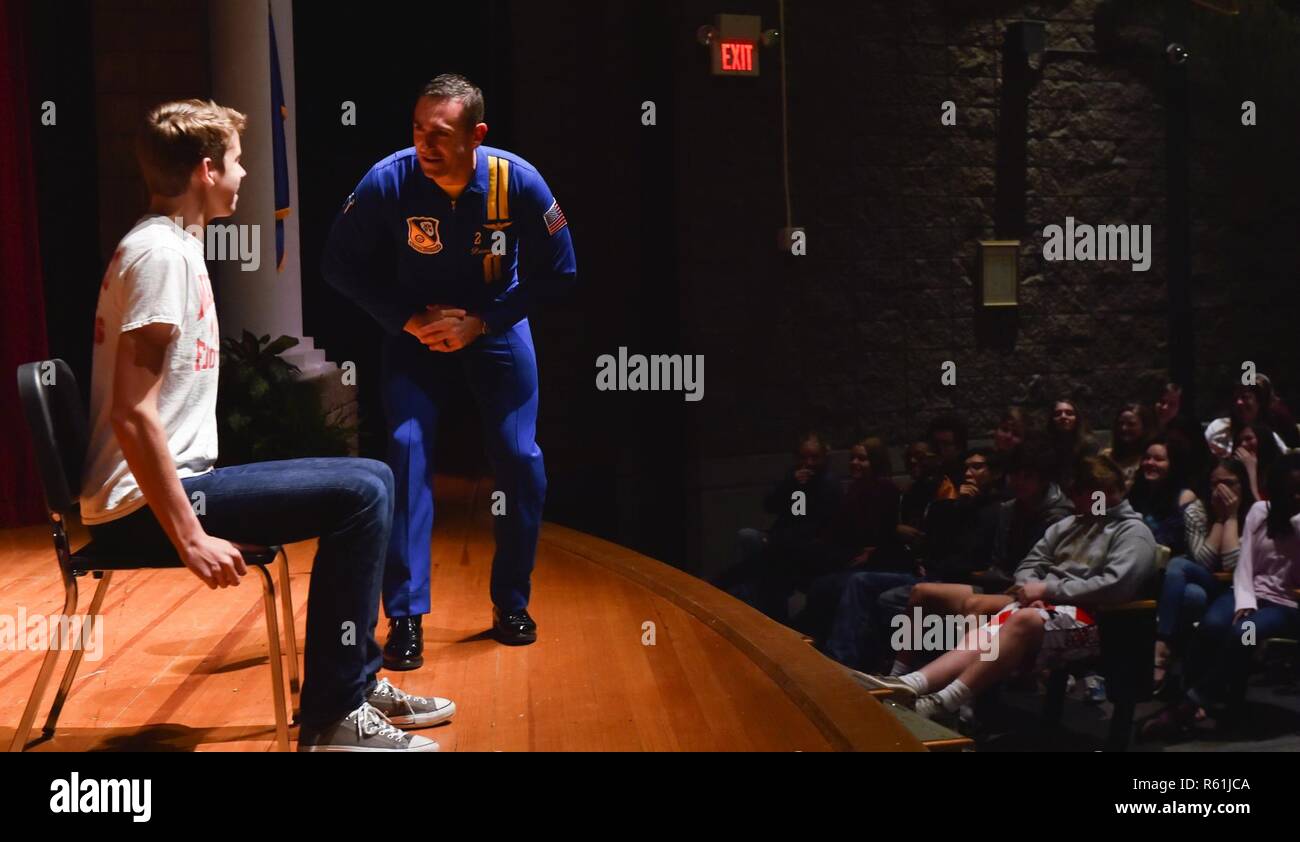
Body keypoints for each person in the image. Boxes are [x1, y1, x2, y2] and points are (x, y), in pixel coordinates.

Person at [81, 100, 451, 751]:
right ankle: (335, 717)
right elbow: (130, 411)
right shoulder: (160, 257)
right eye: (236, 158)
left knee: (370, 476)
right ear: (205, 169)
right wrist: (190, 536)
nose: (244, 172)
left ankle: (353, 685)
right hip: (143, 502)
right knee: (362, 493)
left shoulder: (170, 247)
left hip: (172, 485)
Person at [322, 74, 578, 663]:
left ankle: (512, 601)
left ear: (476, 135)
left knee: (519, 460)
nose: (424, 145)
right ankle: (406, 617)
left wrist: (483, 323)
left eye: (439, 134)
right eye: (417, 130)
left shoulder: (519, 183)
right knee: (407, 452)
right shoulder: (389, 180)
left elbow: (561, 273)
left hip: (495, 328)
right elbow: (338, 264)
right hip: (417, 333)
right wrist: (406, 319)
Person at [860, 455, 1156, 720]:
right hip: (1044, 608)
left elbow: (1115, 587)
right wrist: (1032, 590)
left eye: (1078, 495)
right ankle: (910, 684)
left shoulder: (1132, 531)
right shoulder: (1070, 525)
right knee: (986, 631)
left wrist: (1048, 590)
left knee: (1017, 618)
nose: (1073, 503)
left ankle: (946, 701)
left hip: (1097, 619)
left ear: (1098, 494)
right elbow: (1030, 564)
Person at [1142, 453, 1300, 739]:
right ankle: (1197, 694)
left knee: (1244, 634)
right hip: (1246, 592)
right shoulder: (1260, 512)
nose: (1297, 496)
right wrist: (1247, 602)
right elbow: (1244, 565)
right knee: (1212, 625)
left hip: (1283, 604)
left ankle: (1189, 704)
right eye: (1292, 489)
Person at [716, 432, 843, 622]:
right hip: (784, 539)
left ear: (824, 457)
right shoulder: (794, 478)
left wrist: (775, 539)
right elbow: (770, 505)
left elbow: (815, 525)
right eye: (803, 457)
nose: (808, 463)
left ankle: (721, 587)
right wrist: (791, 483)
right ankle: (740, 597)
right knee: (748, 538)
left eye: (814, 457)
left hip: (809, 547)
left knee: (765, 558)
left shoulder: (828, 484)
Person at [1152, 458, 1253, 693]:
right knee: (1180, 569)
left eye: (1229, 483)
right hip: (1205, 578)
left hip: (1237, 587)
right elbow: (1204, 561)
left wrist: (1232, 517)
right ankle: (1164, 642)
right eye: (1215, 483)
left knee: (1191, 596)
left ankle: (1177, 665)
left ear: (1242, 485)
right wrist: (1219, 518)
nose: (1221, 490)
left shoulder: (1253, 512)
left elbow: (1232, 564)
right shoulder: (1196, 510)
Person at [1204, 382, 1289, 458]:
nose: (1239, 402)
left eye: (1245, 397)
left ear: (1258, 403)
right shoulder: (1216, 428)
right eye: (1235, 398)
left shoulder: (1270, 437)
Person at [1046, 397, 1099, 489]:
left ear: (1077, 418)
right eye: (1058, 414)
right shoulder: (1046, 444)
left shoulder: (1088, 444)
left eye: (1069, 413)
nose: (1063, 416)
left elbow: (1088, 476)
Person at [1101, 402, 1156, 489]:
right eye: (1121, 423)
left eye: (1131, 424)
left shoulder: (1150, 459)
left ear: (1145, 427)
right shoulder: (1105, 456)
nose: (1124, 428)